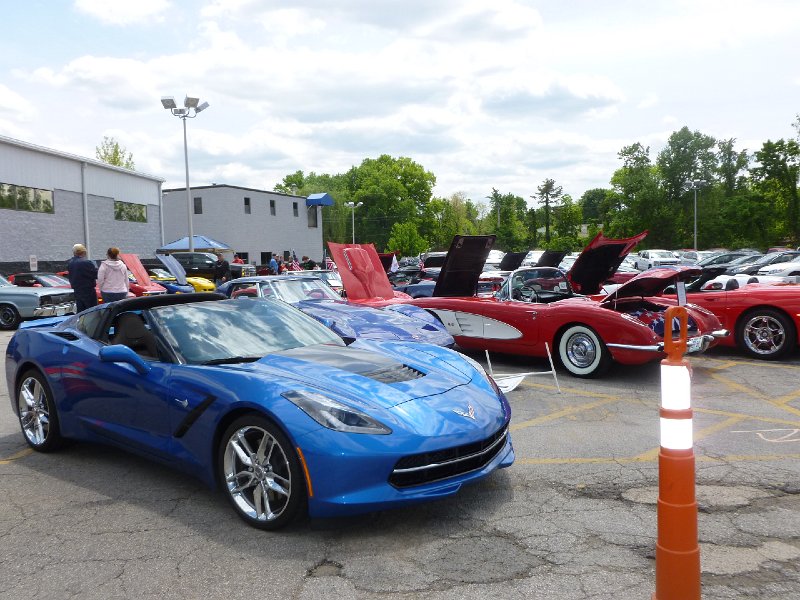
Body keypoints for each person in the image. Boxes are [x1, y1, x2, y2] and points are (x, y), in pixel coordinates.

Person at [66, 243, 98, 312]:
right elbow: (95, 275)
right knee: (91, 311)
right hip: (88, 290)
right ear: (83, 252)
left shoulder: (70, 263)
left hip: (77, 290)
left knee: (80, 311)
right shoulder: (86, 263)